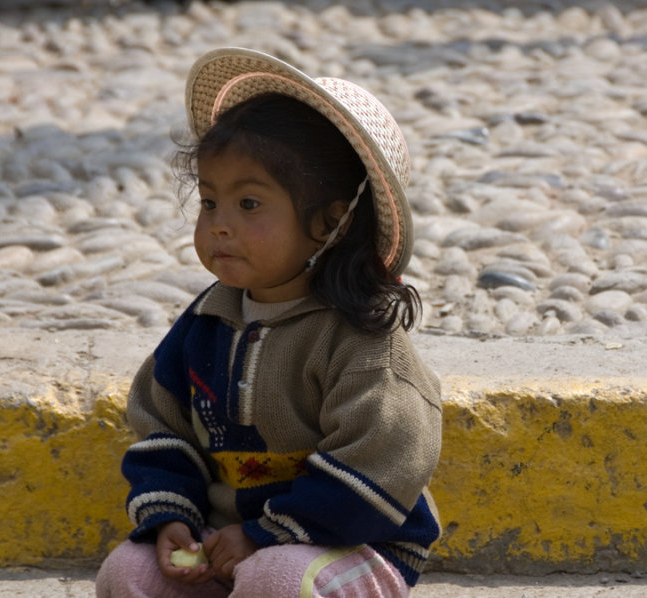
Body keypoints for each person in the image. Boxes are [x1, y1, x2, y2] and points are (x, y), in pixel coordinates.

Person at [96, 47, 442, 598]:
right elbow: (163, 426)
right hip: (232, 537)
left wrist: (264, 535)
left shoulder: (365, 346)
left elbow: (379, 466)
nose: (219, 227)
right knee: (129, 573)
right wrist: (172, 518)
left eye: (249, 204)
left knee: (276, 580)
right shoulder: (208, 320)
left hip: (352, 544)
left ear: (332, 221)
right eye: (210, 202)